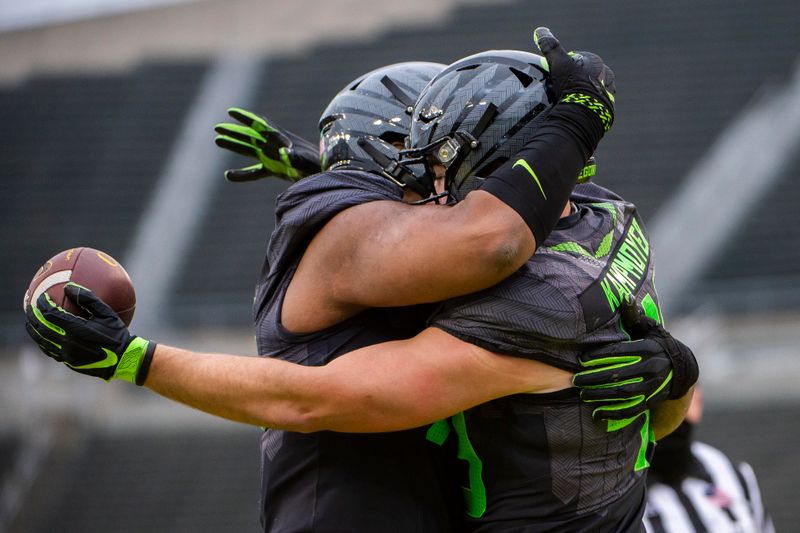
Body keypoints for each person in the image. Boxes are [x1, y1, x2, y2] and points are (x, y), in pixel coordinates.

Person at [25, 28, 696, 532]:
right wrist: (679, 374)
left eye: (437, 163)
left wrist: (136, 360)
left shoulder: (521, 292)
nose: (425, 186)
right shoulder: (608, 216)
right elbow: (468, 222)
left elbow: (314, 398)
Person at [643, 389, 774, 533]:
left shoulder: (731, 472)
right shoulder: (621, 488)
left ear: (697, 399)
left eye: (676, 392)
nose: (667, 407)